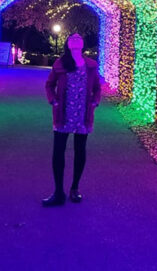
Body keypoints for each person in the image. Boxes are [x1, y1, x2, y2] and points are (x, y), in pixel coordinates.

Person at [42, 33, 102, 206]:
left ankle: (75, 188)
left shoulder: (91, 65)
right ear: (67, 44)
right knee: (58, 151)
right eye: (72, 38)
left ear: (83, 43)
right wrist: (52, 100)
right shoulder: (60, 63)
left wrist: (95, 102)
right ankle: (58, 191)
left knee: (80, 150)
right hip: (63, 113)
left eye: (79, 37)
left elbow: (97, 87)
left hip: (83, 114)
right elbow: (49, 84)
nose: (75, 39)